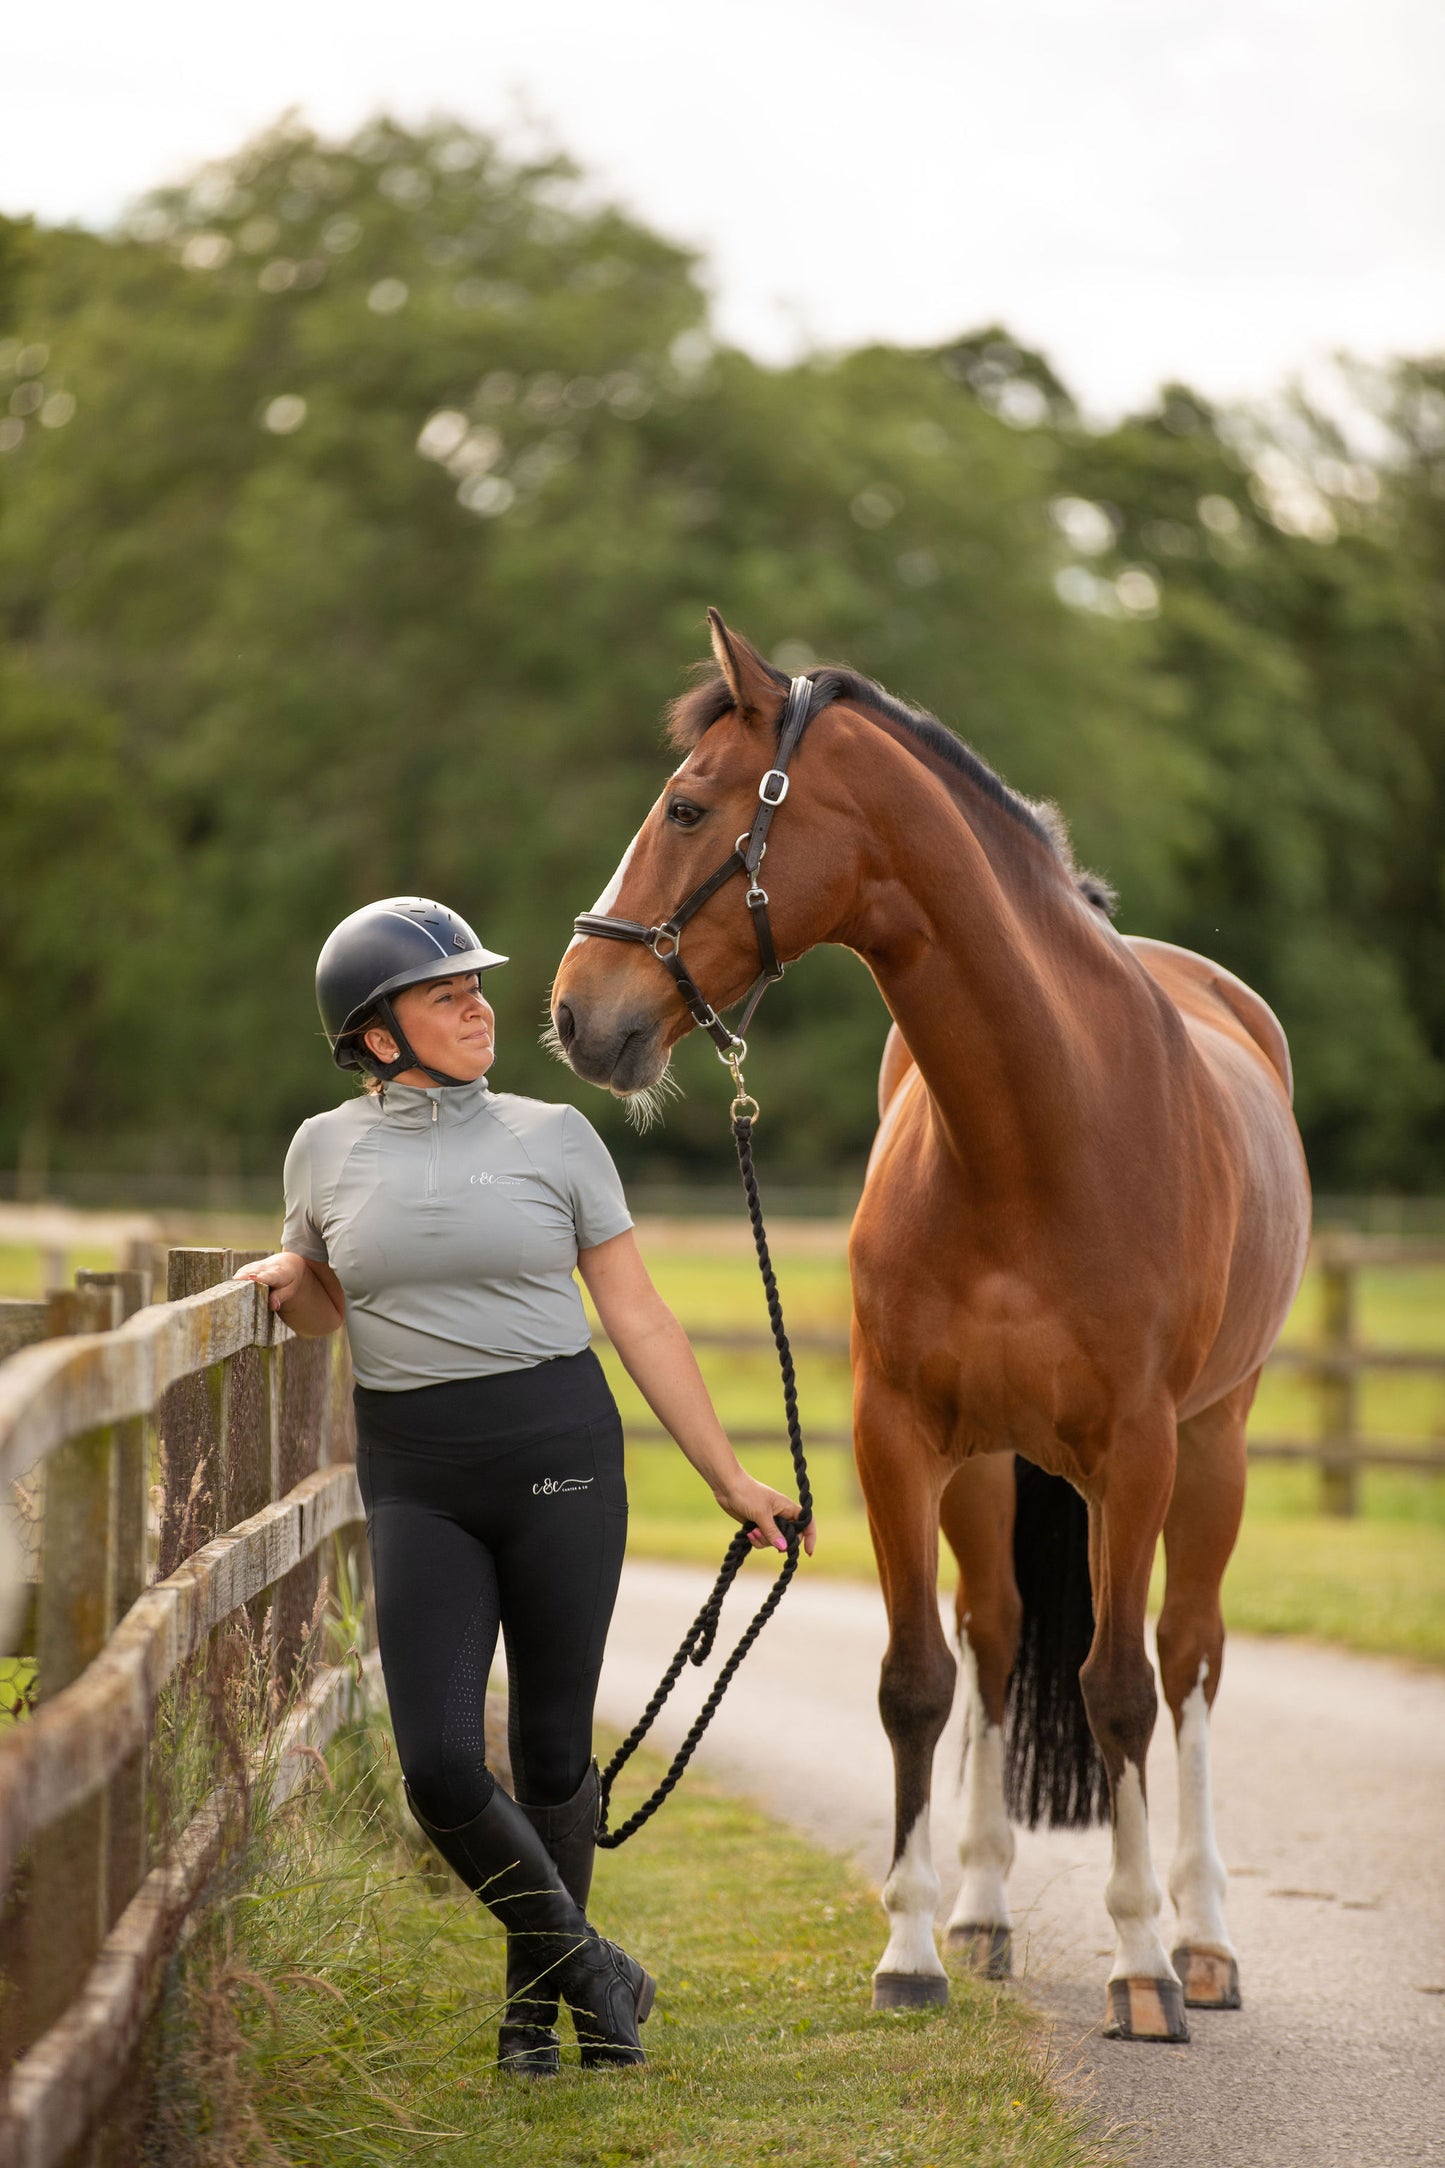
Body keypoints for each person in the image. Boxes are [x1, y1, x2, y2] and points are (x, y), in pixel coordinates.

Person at [236, 897, 814, 2076]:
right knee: (440, 1766)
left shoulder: (556, 1135)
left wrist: (727, 1476)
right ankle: (590, 1961)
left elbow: (638, 1314)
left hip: (560, 1450)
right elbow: (338, 1297)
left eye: (474, 985)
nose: (477, 1004)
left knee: (552, 1751)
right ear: (374, 1029)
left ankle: (535, 2017)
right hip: (417, 1475)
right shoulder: (321, 1148)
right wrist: (292, 1272)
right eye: (444, 991)